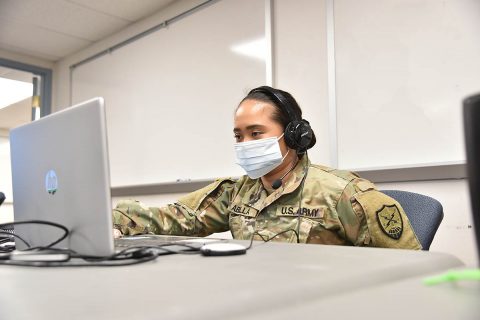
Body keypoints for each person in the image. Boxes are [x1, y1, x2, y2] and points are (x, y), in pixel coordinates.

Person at [112, 86, 422, 249]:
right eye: (239, 135)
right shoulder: (236, 193)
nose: (245, 143)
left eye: (256, 133)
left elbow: (410, 268)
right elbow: (177, 218)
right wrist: (111, 219)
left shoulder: (345, 194)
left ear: (293, 134)